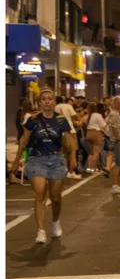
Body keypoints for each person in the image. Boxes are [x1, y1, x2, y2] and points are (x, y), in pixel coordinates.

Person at [13, 89, 78, 244]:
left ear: (54, 102)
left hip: (56, 159)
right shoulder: (33, 120)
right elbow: (24, 140)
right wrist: (17, 161)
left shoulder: (62, 120)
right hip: (37, 159)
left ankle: (55, 221)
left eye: (50, 99)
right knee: (40, 193)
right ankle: (41, 231)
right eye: (44, 99)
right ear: (39, 102)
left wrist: (73, 158)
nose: (47, 101)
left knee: (55, 197)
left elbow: (70, 141)